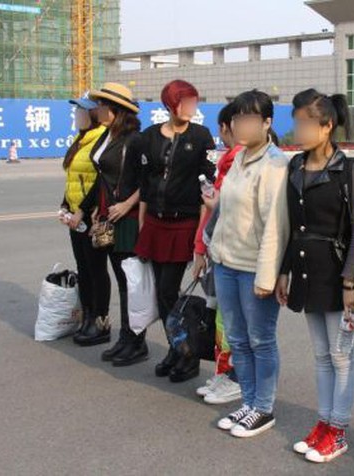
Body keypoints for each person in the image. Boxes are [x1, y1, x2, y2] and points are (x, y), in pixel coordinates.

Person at [274, 89, 354, 463]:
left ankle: (338, 430)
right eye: (296, 122)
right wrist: (283, 271)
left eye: (305, 123)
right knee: (320, 355)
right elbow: (290, 225)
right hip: (306, 271)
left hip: (337, 274)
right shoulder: (295, 166)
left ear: (327, 126)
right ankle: (324, 422)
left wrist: (351, 282)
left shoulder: (350, 171)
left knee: (342, 356)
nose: (298, 130)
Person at [209, 89, 289, 438]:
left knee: (261, 339)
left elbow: (276, 224)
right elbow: (228, 210)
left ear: (267, 122)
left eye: (249, 118)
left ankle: (264, 408)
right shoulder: (239, 157)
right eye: (238, 118)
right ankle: (250, 401)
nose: (241, 124)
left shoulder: (275, 164)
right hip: (226, 263)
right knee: (238, 339)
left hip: (254, 268)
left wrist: (267, 275)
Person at [134, 79, 216, 383]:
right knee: (160, 291)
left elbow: (208, 185)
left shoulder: (202, 136)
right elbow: (146, 183)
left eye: (195, 102)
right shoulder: (149, 137)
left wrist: (202, 238)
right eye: (187, 102)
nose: (192, 108)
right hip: (155, 221)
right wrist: (143, 223)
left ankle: (187, 353)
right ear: (171, 104)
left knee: (170, 288)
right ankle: (175, 347)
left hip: (184, 223)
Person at [75, 83, 145, 368]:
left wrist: (127, 204)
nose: (99, 109)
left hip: (126, 218)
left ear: (117, 111)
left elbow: (147, 180)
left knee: (129, 281)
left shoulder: (134, 139)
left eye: (103, 105)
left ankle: (135, 341)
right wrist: (90, 208)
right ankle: (126, 339)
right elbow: (101, 177)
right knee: (120, 279)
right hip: (107, 214)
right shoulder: (107, 135)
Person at [195, 102, 243, 405]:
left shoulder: (245, 161)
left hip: (234, 253)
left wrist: (216, 205)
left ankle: (236, 377)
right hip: (218, 249)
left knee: (233, 322)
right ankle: (224, 373)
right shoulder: (228, 160)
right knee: (222, 320)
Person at [59, 94, 109, 344]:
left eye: (82, 111)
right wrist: (65, 206)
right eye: (76, 111)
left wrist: (83, 209)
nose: (77, 115)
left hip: (91, 215)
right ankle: (88, 315)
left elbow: (100, 181)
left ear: (93, 115)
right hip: (76, 215)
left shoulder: (100, 142)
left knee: (96, 269)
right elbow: (73, 180)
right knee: (83, 268)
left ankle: (101, 321)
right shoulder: (80, 141)